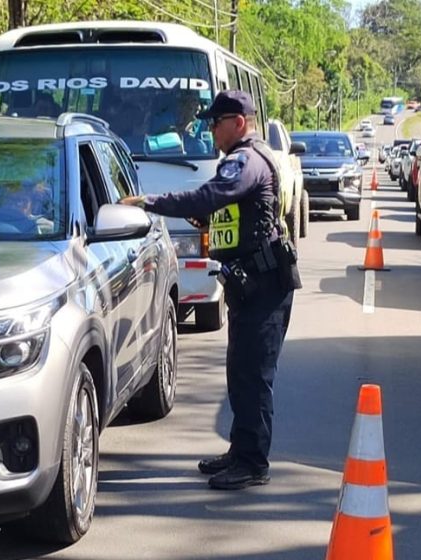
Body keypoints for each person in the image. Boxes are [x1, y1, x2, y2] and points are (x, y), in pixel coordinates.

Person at [119, 90, 301, 490]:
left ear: (238, 122)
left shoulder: (247, 159)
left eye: (215, 123)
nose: (210, 131)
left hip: (265, 284)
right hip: (249, 285)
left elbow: (212, 195)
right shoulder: (241, 159)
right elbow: (222, 209)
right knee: (240, 373)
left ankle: (254, 463)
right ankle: (240, 451)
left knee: (254, 378)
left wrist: (150, 201)